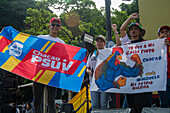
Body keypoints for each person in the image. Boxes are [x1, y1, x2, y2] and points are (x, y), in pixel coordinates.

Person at [120, 13, 152, 113]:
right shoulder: (126, 44)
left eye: (136, 29)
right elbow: (121, 29)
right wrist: (130, 18)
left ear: (140, 32)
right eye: (131, 29)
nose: (133, 30)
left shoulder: (146, 44)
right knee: (132, 106)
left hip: (143, 81)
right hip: (131, 82)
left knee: (142, 106)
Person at [33, 17, 65, 113]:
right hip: (39, 73)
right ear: (49, 26)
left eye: (57, 25)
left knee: (51, 102)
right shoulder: (40, 38)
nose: (55, 27)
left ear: (60, 28)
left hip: (53, 75)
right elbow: (31, 50)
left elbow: (66, 59)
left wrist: (82, 56)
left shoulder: (62, 43)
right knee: (37, 101)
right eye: (53, 25)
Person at [86, 35, 109, 110]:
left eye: (101, 41)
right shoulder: (91, 54)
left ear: (105, 43)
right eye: (97, 41)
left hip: (104, 82)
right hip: (93, 83)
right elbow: (87, 67)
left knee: (103, 105)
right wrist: (89, 72)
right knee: (95, 106)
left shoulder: (108, 53)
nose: (99, 43)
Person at [157, 25, 170, 108]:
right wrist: (159, 42)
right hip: (161, 78)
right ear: (159, 35)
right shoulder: (155, 45)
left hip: (169, 76)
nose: (165, 34)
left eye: (167, 32)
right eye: (162, 32)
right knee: (164, 102)